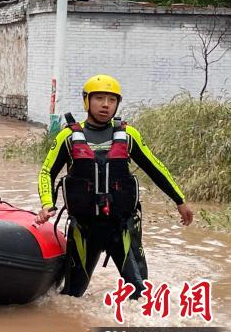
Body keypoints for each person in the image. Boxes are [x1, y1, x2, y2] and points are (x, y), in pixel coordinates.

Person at [35, 74, 194, 298]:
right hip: (84, 229)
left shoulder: (129, 135)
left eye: (111, 100)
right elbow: (46, 172)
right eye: (99, 98)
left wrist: (180, 200)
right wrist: (47, 204)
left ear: (117, 103)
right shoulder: (68, 137)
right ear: (86, 101)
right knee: (71, 295)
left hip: (122, 227)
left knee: (140, 294)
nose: (105, 105)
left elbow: (155, 168)